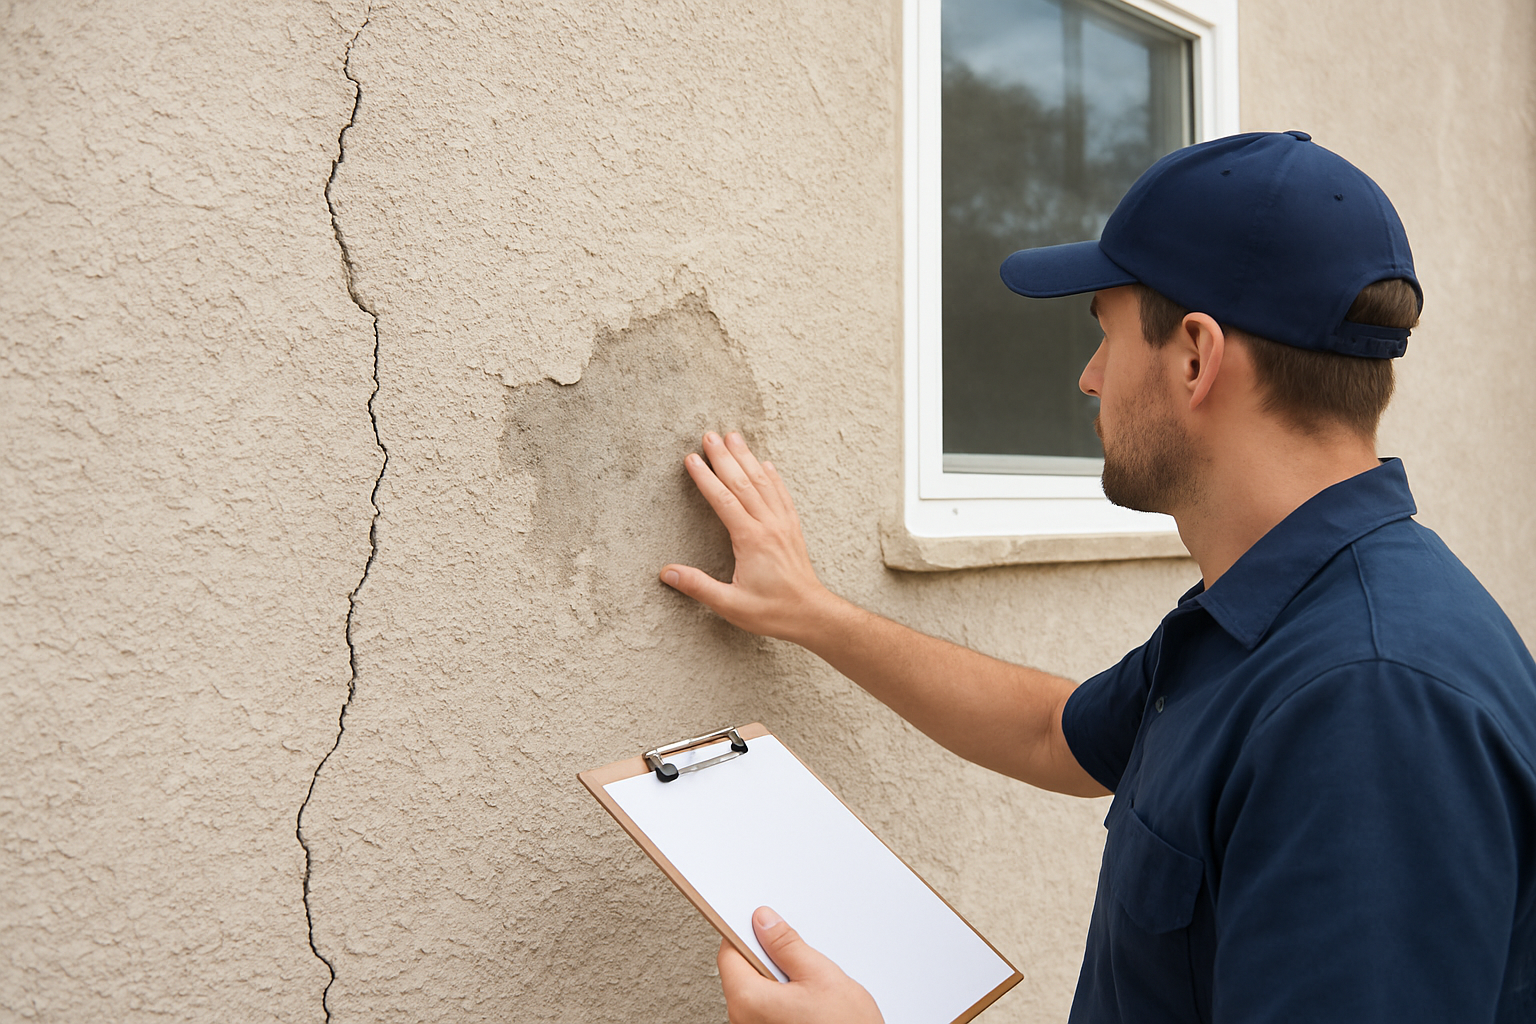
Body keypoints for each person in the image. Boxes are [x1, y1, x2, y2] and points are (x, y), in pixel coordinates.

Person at [658, 131, 1536, 1024]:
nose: (1088, 379)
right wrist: (810, 612)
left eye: (1105, 336)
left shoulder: (1366, 704)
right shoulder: (1265, 618)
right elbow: (1052, 733)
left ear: (1196, 357)